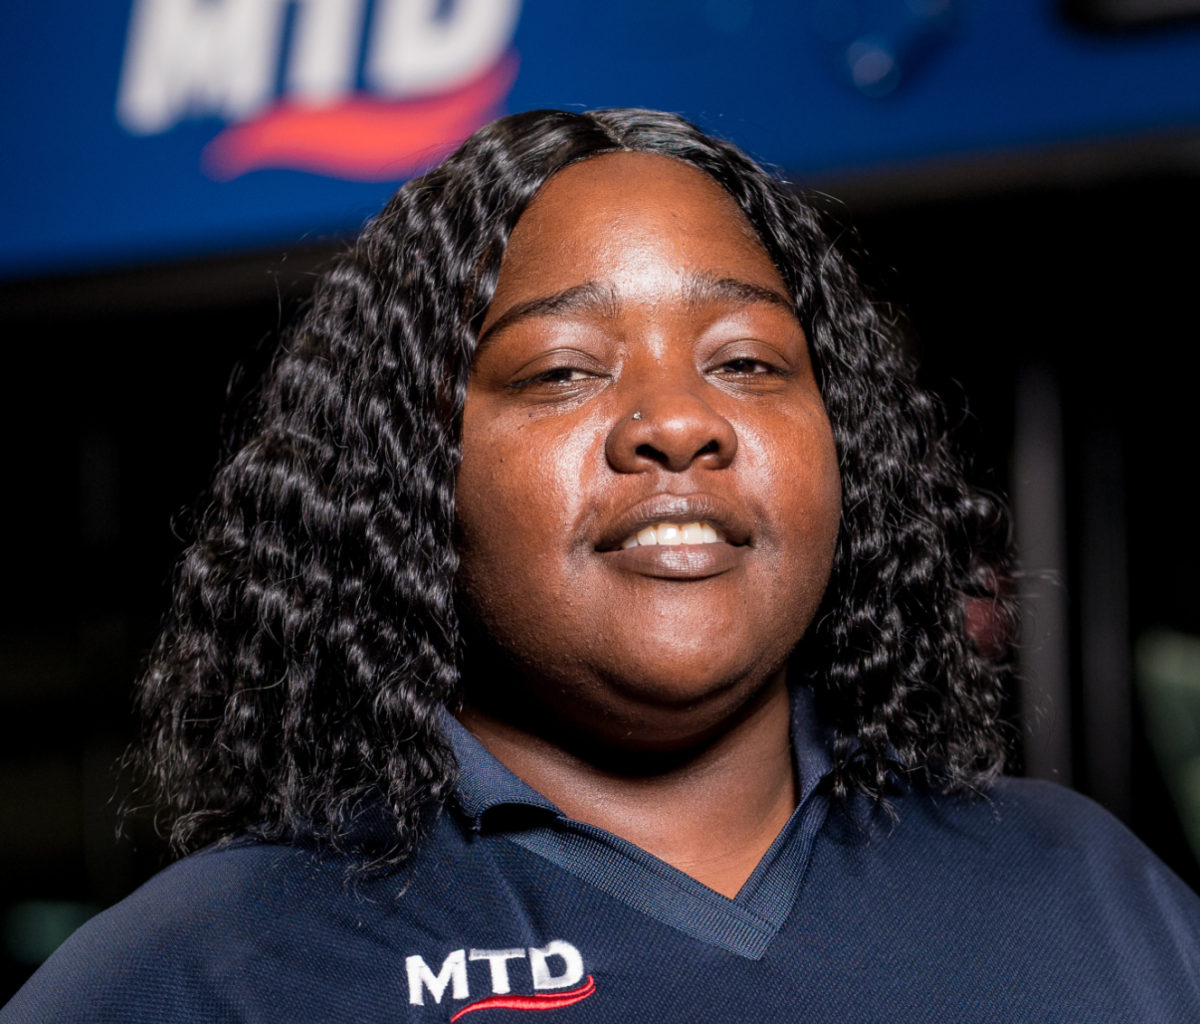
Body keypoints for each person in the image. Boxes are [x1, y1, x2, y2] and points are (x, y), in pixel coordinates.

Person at [4, 108, 1198, 1023]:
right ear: (419, 473)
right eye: (563, 370)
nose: (677, 423)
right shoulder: (208, 974)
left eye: (747, 361)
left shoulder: (1093, 892)